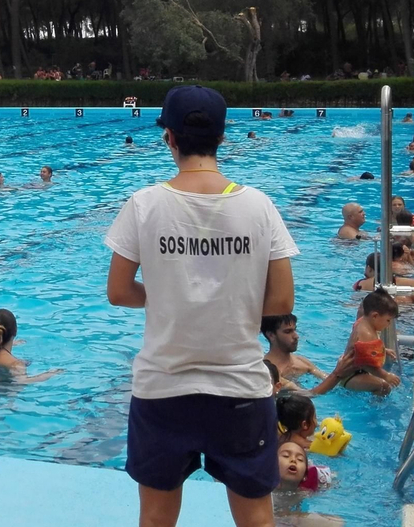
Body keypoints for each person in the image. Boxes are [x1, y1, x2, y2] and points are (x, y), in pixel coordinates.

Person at [104, 85, 296, 527]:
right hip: (240, 390)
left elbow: (118, 291)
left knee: (155, 520)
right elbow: (282, 301)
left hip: (162, 389)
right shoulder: (259, 206)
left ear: (169, 137)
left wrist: (170, 294)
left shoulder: (144, 205)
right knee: (256, 521)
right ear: (222, 138)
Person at [330, 290, 401, 396]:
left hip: (357, 372)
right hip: (350, 377)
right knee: (384, 386)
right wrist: (386, 375)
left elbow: (364, 351)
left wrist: (384, 350)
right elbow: (365, 363)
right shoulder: (365, 333)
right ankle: (375, 406)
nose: (389, 324)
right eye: (388, 320)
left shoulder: (364, 322)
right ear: (375, 316)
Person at [0, 309, 62, 382]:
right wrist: (48, 374)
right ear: (15, 332)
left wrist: (11, 343)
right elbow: (22, 382)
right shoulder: (15, 364)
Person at [261, 314, 325, 383]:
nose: (296, 336)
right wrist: (335, 374)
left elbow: (326, 379)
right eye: (288, 332)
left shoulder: (302, 362)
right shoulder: (267, 371)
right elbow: (307, 393)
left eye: (295, 330)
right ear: (271, 335)